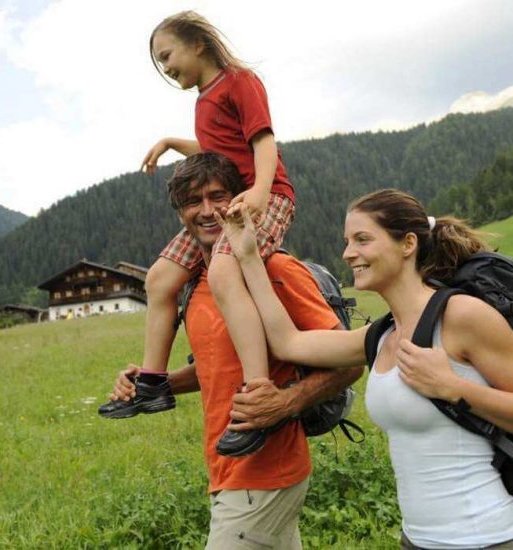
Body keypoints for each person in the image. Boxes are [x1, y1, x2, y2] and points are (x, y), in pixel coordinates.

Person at [217, 189, 513, 549]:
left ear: (407, 244)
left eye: (362, 239)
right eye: (346, 241)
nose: (347, 253)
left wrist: (453, 387)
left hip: (487, 537)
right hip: (417, 539)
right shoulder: (381, 335)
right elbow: (288, 341)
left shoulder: (461, 316)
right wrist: (248, 255)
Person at [106, 153, 363, 548]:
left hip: (264, 475)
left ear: (240, 198)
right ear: (180, 214)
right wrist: (156, 383)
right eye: (194, 201)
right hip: (226, 470)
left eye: (218, 196)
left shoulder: (275, 270)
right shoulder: (193, 284)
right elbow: (217, 365)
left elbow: (347, 362)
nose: (207, 211)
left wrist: (287, 402)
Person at [110, 10, 297, 456]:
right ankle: (154, 383)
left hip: (265, 197)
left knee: (225, 270)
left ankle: (257, 392)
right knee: (160, 277)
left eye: (167, 55)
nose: (165, 67)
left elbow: (262, 142)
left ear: (197, 43)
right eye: (159, 61)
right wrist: (175, 142)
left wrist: (260, 192)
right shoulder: (202, 101)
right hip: (228, 201)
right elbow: (220, 150)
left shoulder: (240, 81)